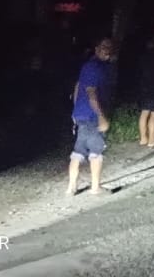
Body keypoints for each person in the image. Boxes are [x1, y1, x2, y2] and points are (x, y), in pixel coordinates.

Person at [67, 37, 117, 196]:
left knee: (78, 151)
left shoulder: (88, 66)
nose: (107, 50)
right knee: (96, 151)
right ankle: (95, 188)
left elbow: (77, 86)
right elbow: (91, 93)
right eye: (104, 46)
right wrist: (101, 116)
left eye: (109, 47)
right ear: (96, 49)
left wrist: (75, 110)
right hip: (92, 116)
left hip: (81, 114)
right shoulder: (95, 67)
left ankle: (71, 187)